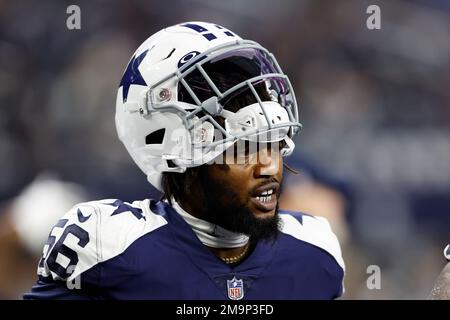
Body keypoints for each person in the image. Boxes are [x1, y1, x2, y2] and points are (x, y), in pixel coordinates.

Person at [24, 21, 345, 300]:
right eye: (242, 147)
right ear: (174, 147)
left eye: (272, 143)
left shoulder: (314, 253)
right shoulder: (107, 247)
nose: (270, 168)